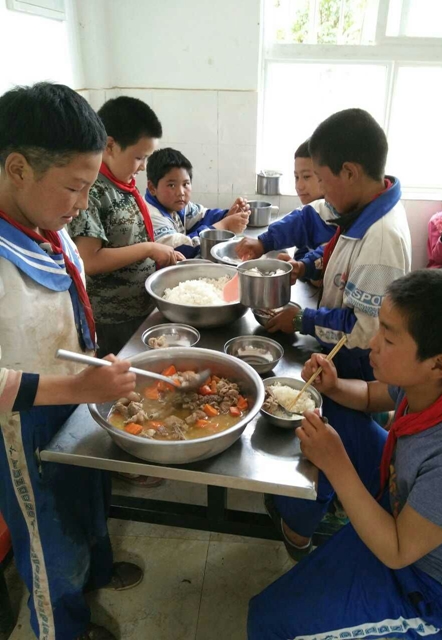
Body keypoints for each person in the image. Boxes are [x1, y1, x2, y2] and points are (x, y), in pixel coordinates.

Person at [249, 269, 442, 640]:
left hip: (433, 587)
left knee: (269, 622)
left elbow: (398, 551)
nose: (373, 344)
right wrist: (333, 386)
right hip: (399, 501)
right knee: (334, 413)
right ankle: (301, 518)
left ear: (439, 364)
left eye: (387, 338)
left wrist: (337, 464)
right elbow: (374, 395)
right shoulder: (431, 386)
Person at [0, 82, 143, 640]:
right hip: (23, 426)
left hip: (75, 394)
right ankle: (62, 627)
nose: (83, 204)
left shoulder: (46, 226)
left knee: (87, 499)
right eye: (75, 187)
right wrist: (80, 389)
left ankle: (96, 575)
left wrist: (92, 363)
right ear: (18, 169)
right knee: (49, 542)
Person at [261, 109, 411, 382]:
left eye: (320, 178)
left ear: (349, 172)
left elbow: (365, 330)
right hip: (340, 360)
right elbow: (341, 258)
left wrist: (301, 320)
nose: (321, 189)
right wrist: (306, 267)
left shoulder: (381, 240)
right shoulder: (364, 210)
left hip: (357, 373)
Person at [69, 97, 183, 358]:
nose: (143, 167)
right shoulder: (94, 191)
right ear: (110, 145)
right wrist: (148, 249)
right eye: (139, 157)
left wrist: (158, 254)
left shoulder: (122, 184)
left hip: (140, 308)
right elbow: (89, 260)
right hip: (113, 319)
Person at [235, 138, 332, 278]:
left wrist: (263, 243)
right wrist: (306, 268)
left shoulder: (319, 210)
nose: (299, 186)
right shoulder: (312, 215)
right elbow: (301, 245)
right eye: (296, 177)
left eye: (306, 177)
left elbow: (298, 221)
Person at [145, 147, 250, 258]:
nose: (181, 192)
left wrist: (227, 215)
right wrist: (225, 225)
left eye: (185, 184)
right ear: (152, 188)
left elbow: (203, 216)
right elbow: (178, 250)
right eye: (171, 185)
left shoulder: (176, 204)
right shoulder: (151, 217)